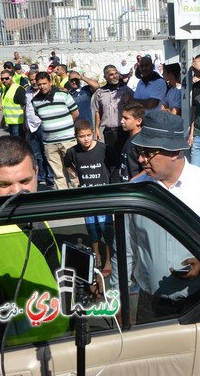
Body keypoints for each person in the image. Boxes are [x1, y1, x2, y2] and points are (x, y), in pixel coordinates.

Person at [109, 112, 200, 319]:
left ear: (174, 152)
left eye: (148, 152)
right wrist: (117, 297)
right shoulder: (136, 192)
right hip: (151, 305)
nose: (140, 159)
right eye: (140, 151)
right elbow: (125, 248)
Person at [0, 135, 68, 344]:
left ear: (36, 173)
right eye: (4, 184)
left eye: (25, 181)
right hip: (18, 356)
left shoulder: (31, 213)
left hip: (59, 339)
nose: (17, 192)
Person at [64, 120, 120, 277]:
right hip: (87, 197)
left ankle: (108, 259)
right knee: (92, 228)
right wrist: (77, 174)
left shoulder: (104, 149)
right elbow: (67, 163)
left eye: (88, 135)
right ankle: (96, 256)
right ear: (76, 136)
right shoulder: (73, 152)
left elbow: (116, 164)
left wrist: (111, 183)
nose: (86, 139)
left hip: (103, 196)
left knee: (107, 228)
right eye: (82, 136)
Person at [31, 71, 79, 189]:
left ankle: (77, 197)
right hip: (49, 143)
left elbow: (75, 113)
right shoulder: (35, 101)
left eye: (44, 83)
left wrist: (65, 127)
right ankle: (64, 199)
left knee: (73, 172)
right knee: (58, 174)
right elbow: (41, 116)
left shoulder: (63, 95)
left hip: (68, 140)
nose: (42, 87)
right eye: (39, 84)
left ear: (51, 82)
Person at [91, 64, 133, 181]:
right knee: (113, 162)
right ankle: (114, 184)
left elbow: (135, 107)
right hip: (109, 132)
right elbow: (97, 112)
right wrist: (96, 130)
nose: (114, 76)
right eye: (111, 74)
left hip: (124, 131)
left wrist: (128, 101)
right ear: (105, 77)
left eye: (116, 73)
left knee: (126, 159)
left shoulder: (126, 90)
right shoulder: (100, 93)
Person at [24, 70, 54, 187]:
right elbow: (26, 107)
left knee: (47, 153)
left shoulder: (45, 92)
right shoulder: (27, 91)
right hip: (31, 127)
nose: (33, 82)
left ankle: (50, 177)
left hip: (42, 125)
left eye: (34, 79)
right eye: (31, 80)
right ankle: (41, 176)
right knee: (36, 154)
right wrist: (24, 123)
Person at [119, 101, 144, 182]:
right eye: (122, 117)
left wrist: (133, 181)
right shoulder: (130, 138)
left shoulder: (141, 141)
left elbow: (149, 168)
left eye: (126, 118)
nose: (122, 121)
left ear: (138, 121)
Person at [0, 69, 27, 137]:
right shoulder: (6, 89)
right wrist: (3, 120)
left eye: (6, 78)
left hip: (18, 124)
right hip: (10, 123)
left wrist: (24, 123)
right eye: (2, 79)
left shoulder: (18, 89)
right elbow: (7, 107)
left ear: (11, 77)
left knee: (19, 145)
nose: (4, 80)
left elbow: (26, 106)